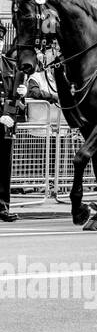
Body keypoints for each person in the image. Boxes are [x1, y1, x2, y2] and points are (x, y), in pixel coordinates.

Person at [0, 49, 20, 220]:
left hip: (7, 125)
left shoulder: (9, 65)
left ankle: (2, 206)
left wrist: (22, 94)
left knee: (4, 166)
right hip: (2, 119)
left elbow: (13, 98)